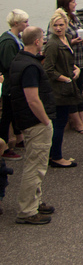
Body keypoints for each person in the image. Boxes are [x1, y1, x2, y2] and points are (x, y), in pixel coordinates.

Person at [7, 26, 57, 224]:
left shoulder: (19, 61)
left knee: (36, 164)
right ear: (37, 42)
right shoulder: (30, 66)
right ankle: (27, 210)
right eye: (42, 38)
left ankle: (35, 201)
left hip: (26, 120)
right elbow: (33, 99)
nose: (43, 41)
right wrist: (45, 120)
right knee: (35, 166)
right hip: (35, 122)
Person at [42, 10, 81, 167]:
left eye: (61, 25)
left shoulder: (67, 38)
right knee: (59, 124)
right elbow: (48, 69)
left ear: (66, 25)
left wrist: (76, 69)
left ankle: (54, 154)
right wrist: (65, 79)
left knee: (61, 121)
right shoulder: (52, 44)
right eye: (55, 25)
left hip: (67, 87)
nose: (58, 28)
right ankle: (56, 157)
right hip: (58, 90)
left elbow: (67, 61)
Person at [54, 0, 83, 135]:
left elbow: (82, 30)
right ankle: (77, 123)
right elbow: (57, 40)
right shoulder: (57, 21)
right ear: (66, 4)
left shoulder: (74, 18)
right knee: (71, 93)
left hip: (80, 61)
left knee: (80, 92)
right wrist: (73, 41)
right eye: (73, 2)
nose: (75, 4)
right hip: (69, 63)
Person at [1, 10, 29, 159]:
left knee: (13, 114)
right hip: (10, 85)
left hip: (15, 84)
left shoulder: (16, 38)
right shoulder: (7, 42)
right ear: (16, 23)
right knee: (7, 116)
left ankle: (19, 139)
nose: (27, 24)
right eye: (25, 22)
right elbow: (8, 64)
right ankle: (4, 147)